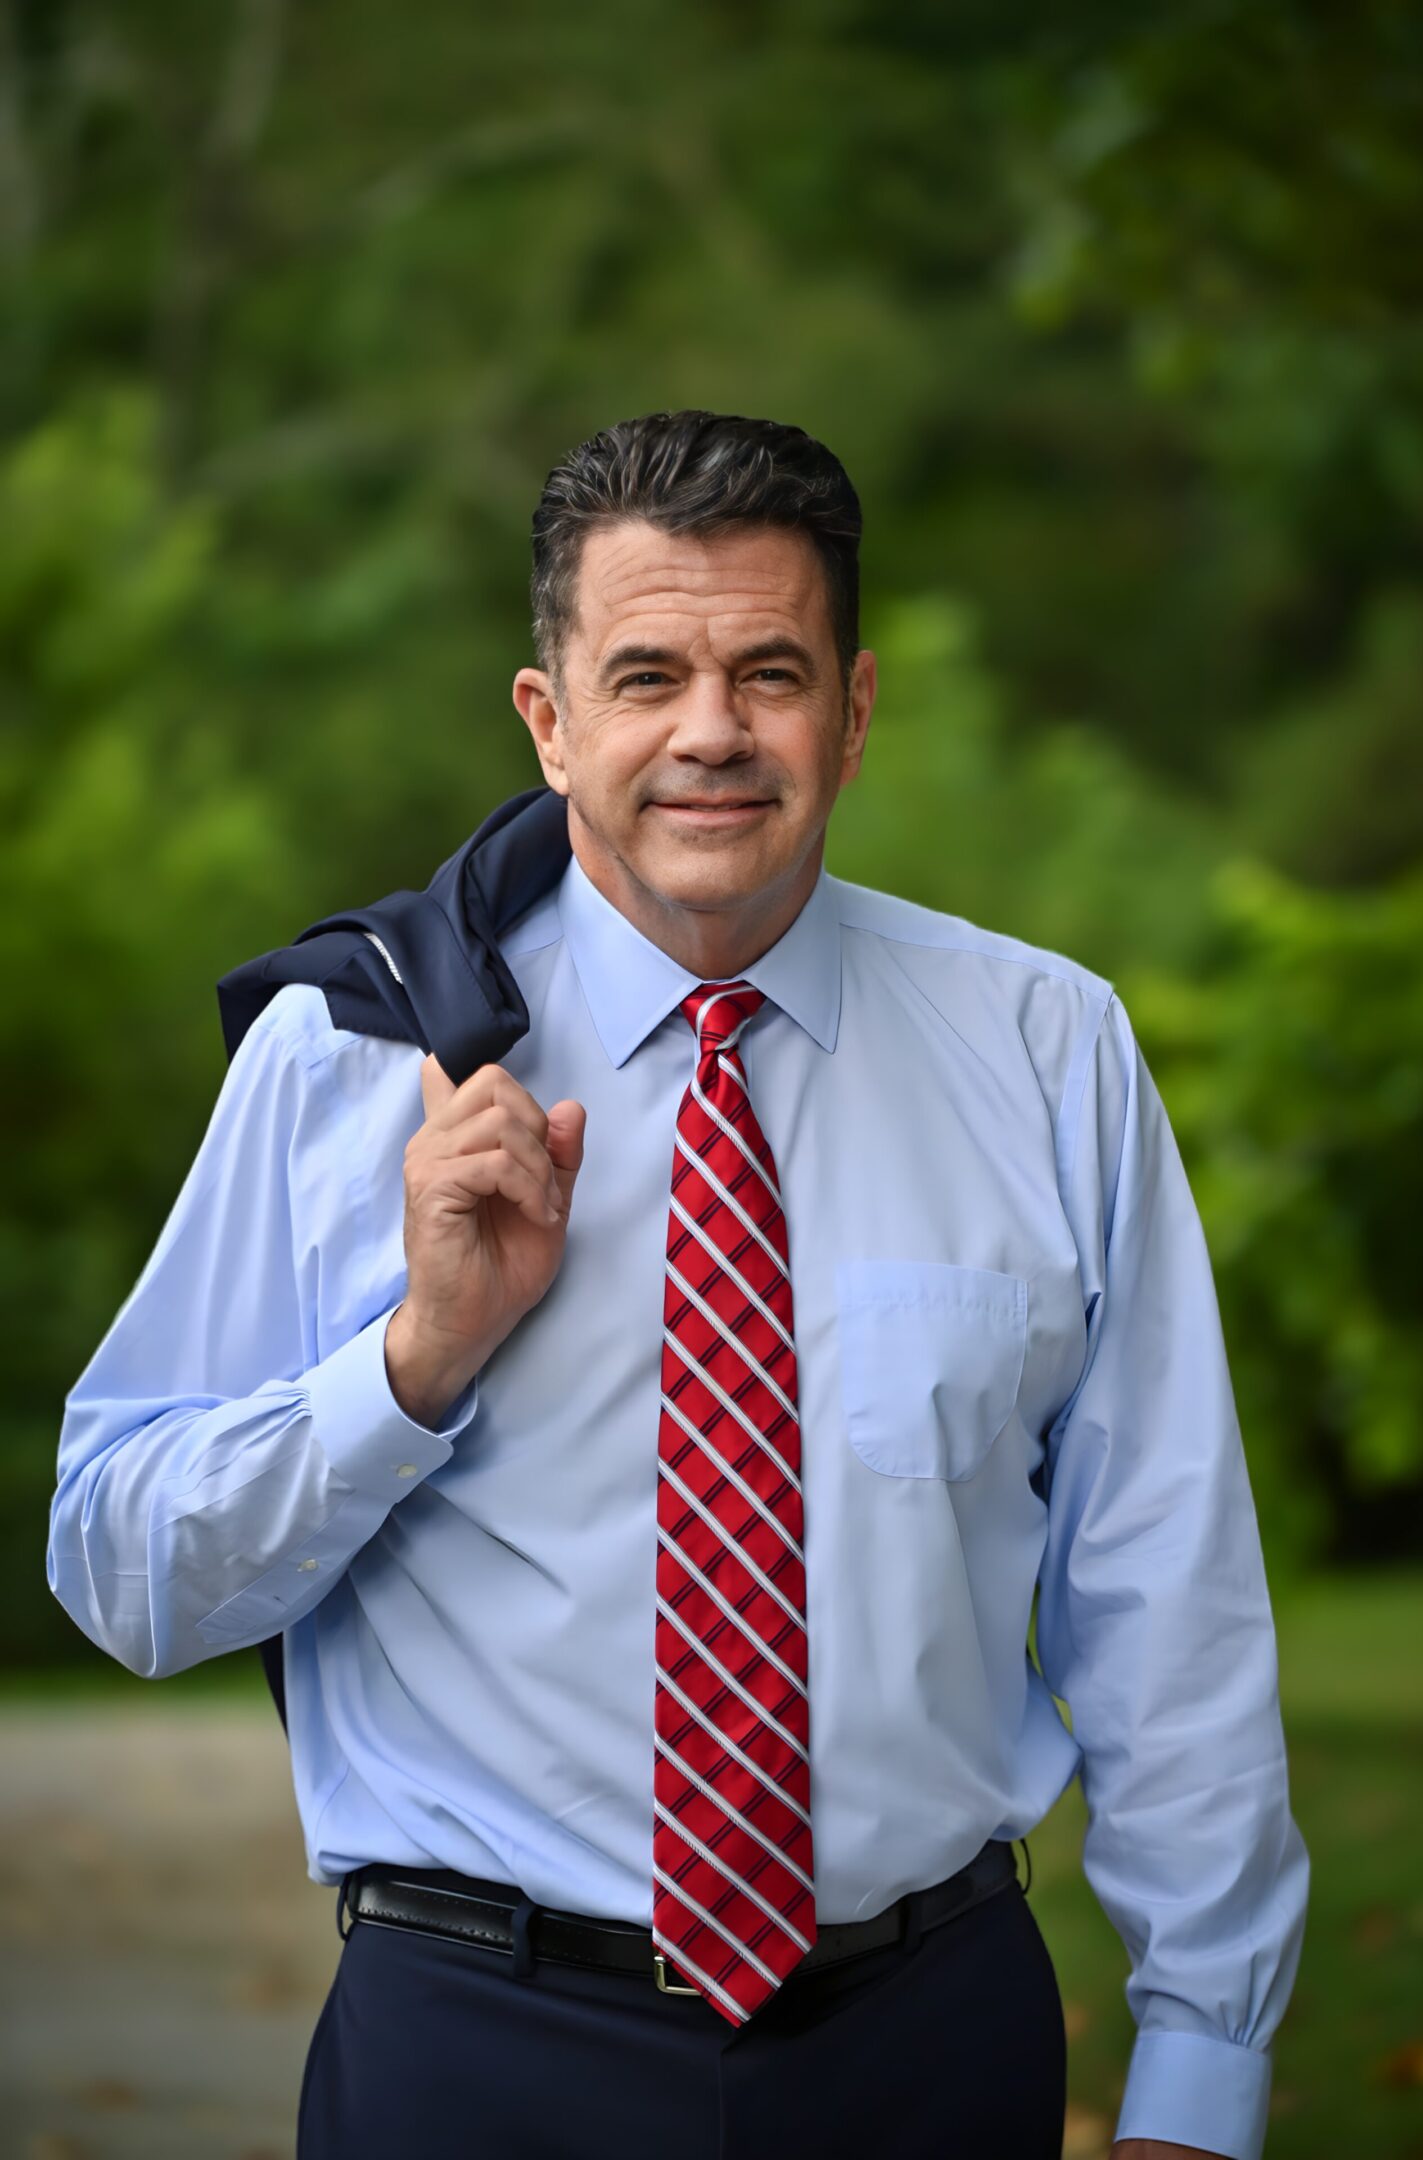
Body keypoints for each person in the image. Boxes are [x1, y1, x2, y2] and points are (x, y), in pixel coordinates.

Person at [46, 409, 1309, 2160]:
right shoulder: (345, 1062)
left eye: (768, 671)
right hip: (471, 2058)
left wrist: (1200, 2073)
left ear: (853, 714)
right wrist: (411, 1363)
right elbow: (121, 1569)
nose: (711, 732)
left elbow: (1169, 1603)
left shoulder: (1046, 1052)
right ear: (548, 721)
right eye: (645, 674)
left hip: (930, 2052)